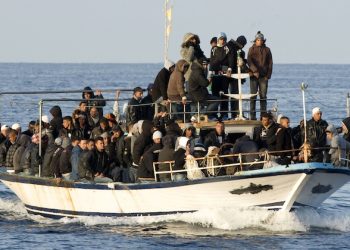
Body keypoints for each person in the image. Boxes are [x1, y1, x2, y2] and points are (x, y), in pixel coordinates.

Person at [248, 31, 273, 120]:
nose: (259, 41)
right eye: (258, 40)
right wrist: (254, 70)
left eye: (261, 40)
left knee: (263, 97)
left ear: (263, 41)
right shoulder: (251, 49)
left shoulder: (267, 50)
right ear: (255, 40)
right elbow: (249, 61)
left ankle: (263, 116)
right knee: (253, 96)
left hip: (263, 77)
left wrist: (268, 76)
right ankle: (252, 116)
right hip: (253, 77)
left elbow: (270, 63)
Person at [209, 32, 234, 119]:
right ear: (218, 40)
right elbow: (212, 61)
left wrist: (230, 69)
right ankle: (213, 114)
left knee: (224, 94)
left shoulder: (227, 48)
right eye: (221, 39)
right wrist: (210, 72)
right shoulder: (214, 48)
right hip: (215, 74)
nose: (222, 41)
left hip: (224, 74)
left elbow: (231, 59)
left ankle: (224, 114)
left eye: (223, 39)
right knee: (214, 94)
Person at [227, 35, 248, 118]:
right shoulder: (237, 50)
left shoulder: (229, 46)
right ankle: (235, 114)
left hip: (229, 73)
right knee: (235, 94)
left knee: (232, 95)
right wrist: (248, 71)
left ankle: (233, 114)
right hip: (233, 74)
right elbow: (239, 61)